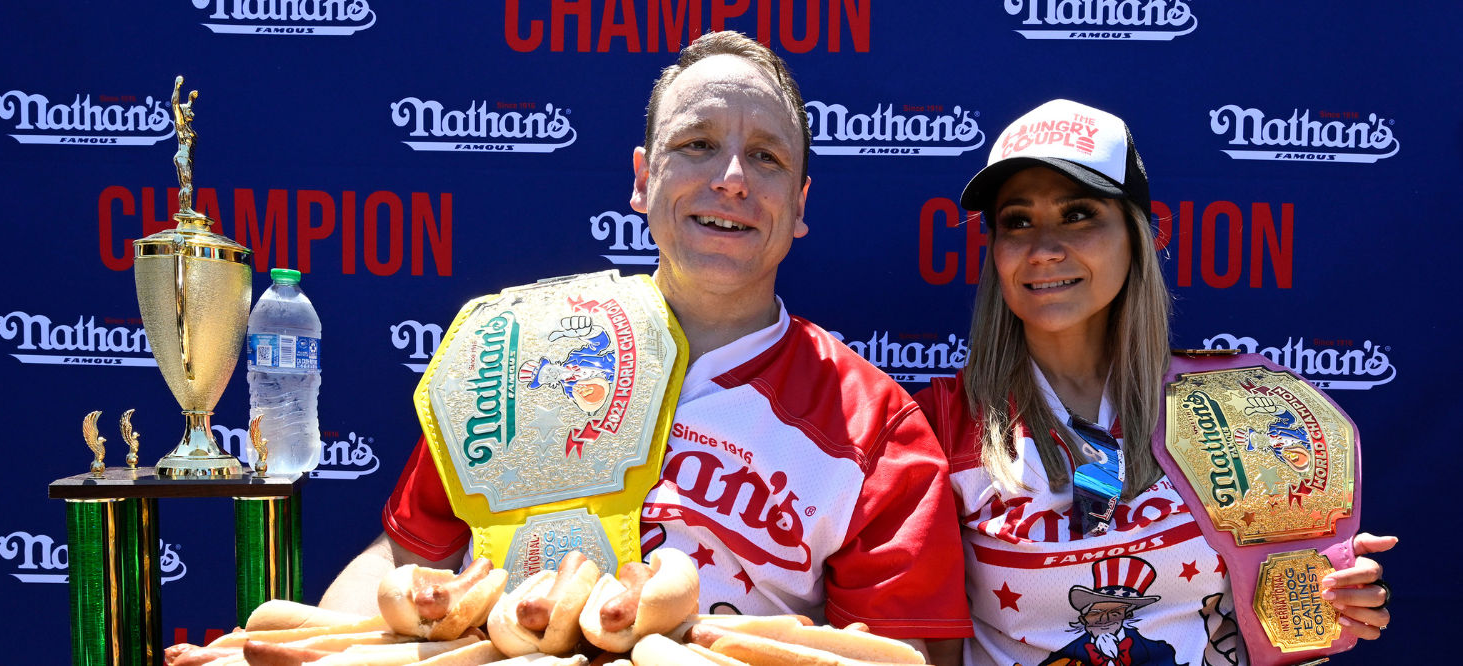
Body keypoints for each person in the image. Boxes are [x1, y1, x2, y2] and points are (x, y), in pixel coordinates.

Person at [320, 31, 972, 653]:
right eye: (697, 144)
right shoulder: (518, 347)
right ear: (642, 178)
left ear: (799, 205)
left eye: (767, 157)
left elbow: (893, 653)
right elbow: (403, 559)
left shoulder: (875, 425)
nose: (733, 178)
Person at [912, 99, 1395, 665]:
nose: (1043, 249)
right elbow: (925, 649)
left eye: (1078, 214)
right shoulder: (937, 425)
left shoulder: (1238, 408)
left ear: (1135, 234)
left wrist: (1332, 602)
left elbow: (1290, 631)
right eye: (1017, 221)